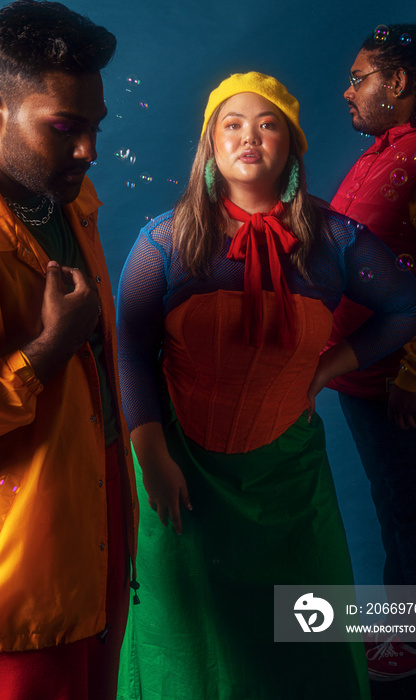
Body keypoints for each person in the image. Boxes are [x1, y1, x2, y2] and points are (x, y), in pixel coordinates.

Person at [116, 71, 416, 699]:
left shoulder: (335, 241)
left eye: (268, 124)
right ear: (211, 144)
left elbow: (407, 306)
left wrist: (329, 367)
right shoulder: (163, 240)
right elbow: (131, 350)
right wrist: (151, 455)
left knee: (306, 629)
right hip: (180, 471)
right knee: (185, 635)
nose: (249, 136)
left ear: (291, 146)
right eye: (231, 124)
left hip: (288, 477)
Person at [0, 2, 138, 699]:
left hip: (104, 495)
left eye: (94, 128)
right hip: (22, 556)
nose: (88, 151)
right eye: (64, 128)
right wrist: (49, 347)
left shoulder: (69, 200)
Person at [327, 21, 416, 681]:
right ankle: (406, 640)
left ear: (400, 82)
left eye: (359, 78)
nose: (346, 91)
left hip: (413, 390)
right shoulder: (391, 148)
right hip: (370, 380)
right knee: (397, 507)